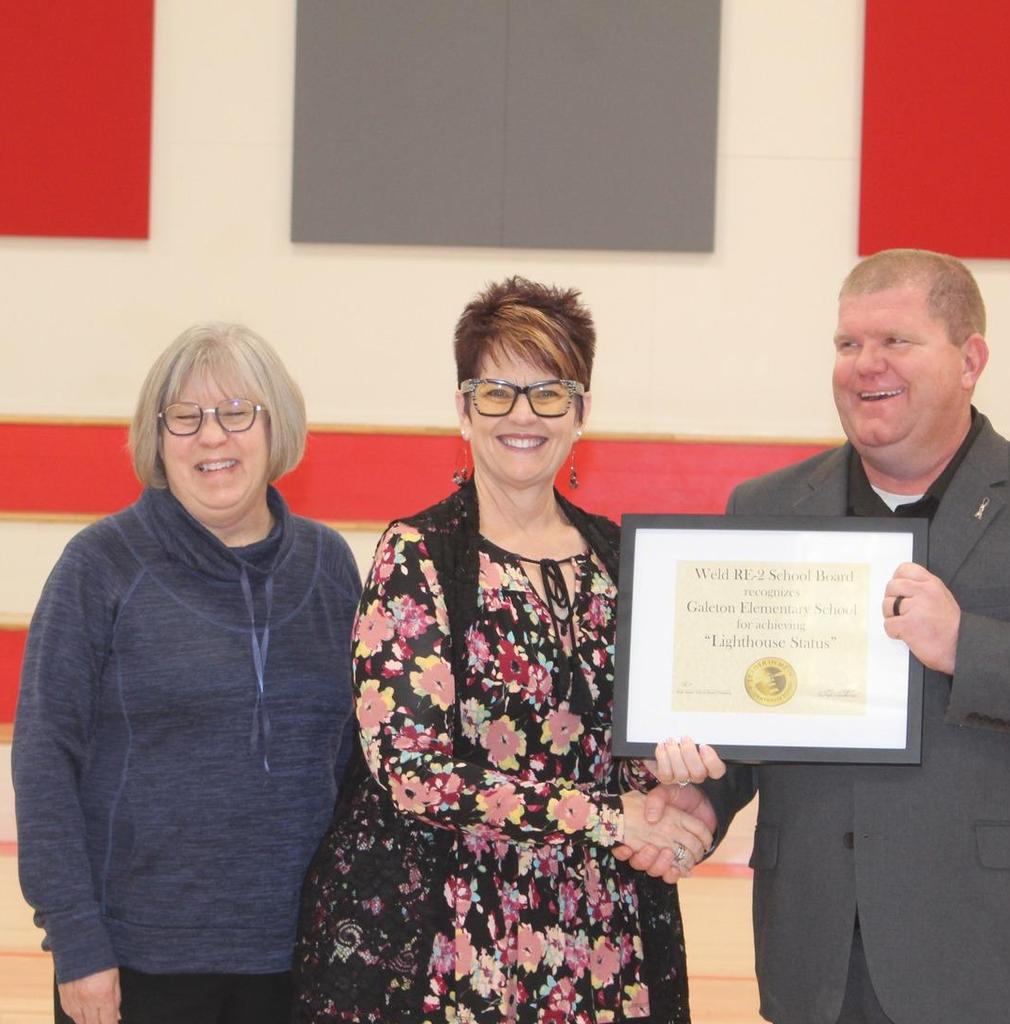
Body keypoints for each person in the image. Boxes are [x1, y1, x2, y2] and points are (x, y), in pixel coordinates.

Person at [672, 249, 1010, 1024]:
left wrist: (967, 645)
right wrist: (701, 798)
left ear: (970, 358)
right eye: (847, 345)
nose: (865, 365)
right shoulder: (768, 506)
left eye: (895, 341)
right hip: (819, 964)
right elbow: (749, 713)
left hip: (1000, 962)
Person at [292, 277, 716, 1022]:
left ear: (581, 412)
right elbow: (413, 771)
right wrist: (612, 818)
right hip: (457, 937)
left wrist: (676, 783)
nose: (523, 415)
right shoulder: (419, 555)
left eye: (549, 392)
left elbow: (637, 744)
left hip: (604, 936)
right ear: (462, 409)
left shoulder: (625, 560)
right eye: (496, 392)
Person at [13, 323, 361, 1024]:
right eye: (186, 417)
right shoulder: (100, 565)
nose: (212, 437)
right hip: (140, 964)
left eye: (238, 412)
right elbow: (44, 759)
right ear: (157, 436)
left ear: (275, 429)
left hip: (301, 959)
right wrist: (77, 945)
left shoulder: (331, 567)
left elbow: (356, 763)